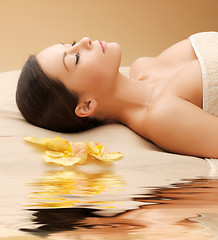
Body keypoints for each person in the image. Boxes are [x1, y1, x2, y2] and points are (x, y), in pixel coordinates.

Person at [16, 32, 218, 158]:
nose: (85, 41)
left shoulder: (144, 66)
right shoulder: (163, 117)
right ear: (86, 105)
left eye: (73, 43)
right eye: (76, 58)